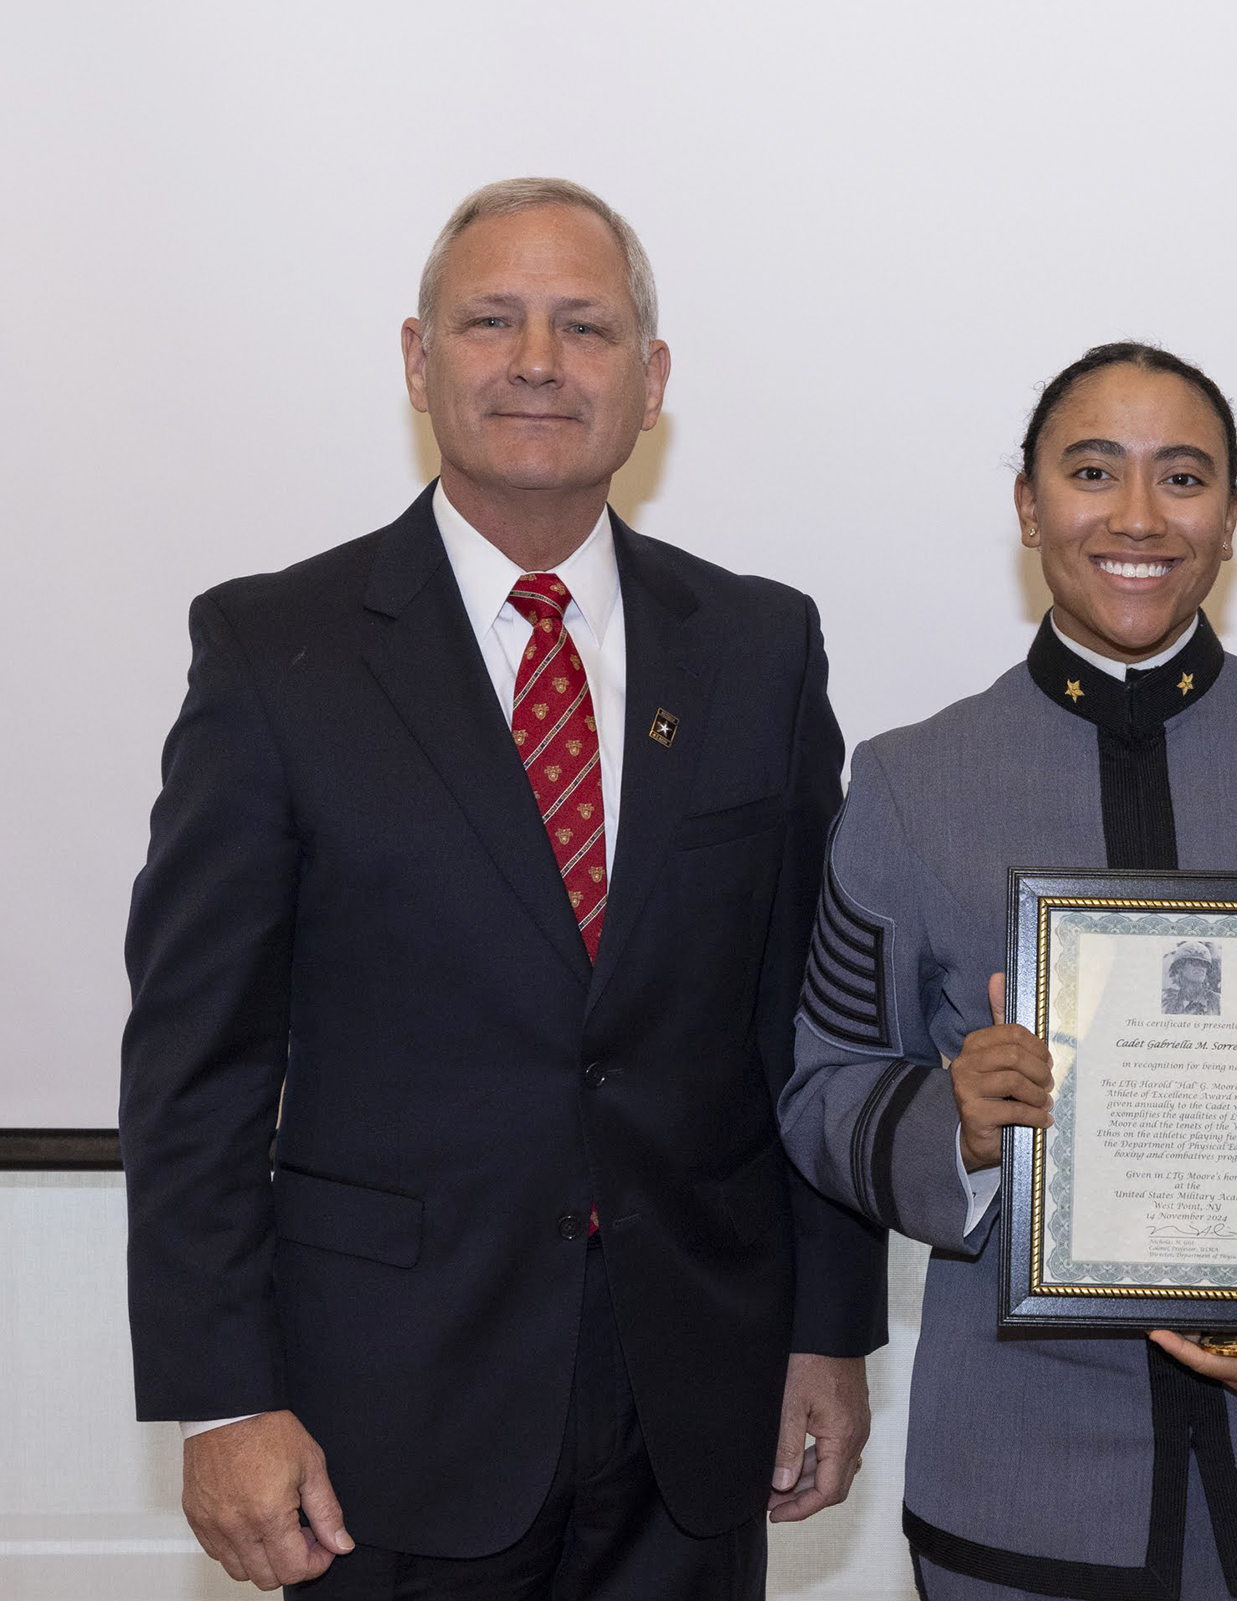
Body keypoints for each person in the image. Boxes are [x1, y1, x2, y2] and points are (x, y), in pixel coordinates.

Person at [120, 177, 886, 1597]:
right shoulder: (272, 652)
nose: (538, 360)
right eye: (491, 321)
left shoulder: (761, 649)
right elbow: (197, 1063)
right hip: (380, 1420)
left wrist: (827, 1330)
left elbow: (808, 1028)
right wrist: (222, 1397)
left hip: (695, 1407)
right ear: (419, 361)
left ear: (649, 383)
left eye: (585, 328)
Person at [779, 342, 1237, 1600]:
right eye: (1090, 471)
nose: (1135, 515)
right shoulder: (909, 787)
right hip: (1015, 1489)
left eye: (1183, 476)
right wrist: (949, 1119)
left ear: (1230, 515)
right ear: (1027, 505)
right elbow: (820, 1088)